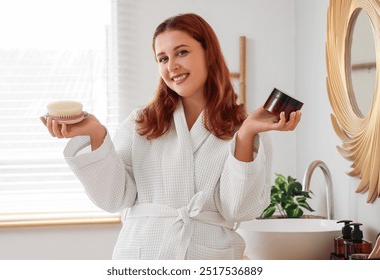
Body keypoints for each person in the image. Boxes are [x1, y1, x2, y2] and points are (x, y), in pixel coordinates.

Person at [41, 13, 301, 260]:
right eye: (162, 58)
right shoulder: (140, 123)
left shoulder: (244, 127)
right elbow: (114, 199)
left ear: (208, 54)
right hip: (142, 255)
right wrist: (96, 135)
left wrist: (244, 136)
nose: (172, 65)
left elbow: (239, 210)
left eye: (182, 52)